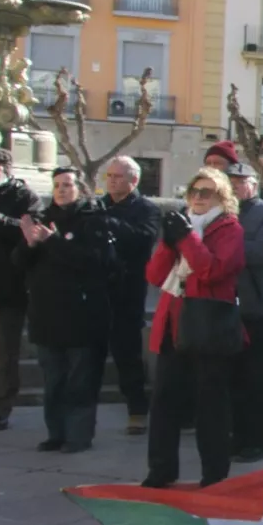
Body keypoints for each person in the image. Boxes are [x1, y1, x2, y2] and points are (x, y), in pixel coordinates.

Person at [142, 167, 246, 488]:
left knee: (210, 403)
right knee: (164, 400)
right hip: (174, 321)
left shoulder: (230, 229)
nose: (199, 198)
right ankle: (161, 470)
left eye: (207, 192)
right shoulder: (182, 225)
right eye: (194, 192)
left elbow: (213, 271)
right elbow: (155, 276)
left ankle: (214, 475)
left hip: (208, 324)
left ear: (222, 198)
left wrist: (186, 238)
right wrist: (169, 242)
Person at [17, 167, 115, 454]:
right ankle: (55, 434)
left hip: (82, 316)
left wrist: (53, 242)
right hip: (46, 315)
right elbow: (20, 263)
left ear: (80, 189)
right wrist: (30, 244)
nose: (61, 190)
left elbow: (97, 262)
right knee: (54, 381)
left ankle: (78, 436)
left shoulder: (94, 220)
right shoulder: (42, 219)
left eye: (68, 185)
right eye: (57, 184)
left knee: (80, 380)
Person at [100, 157, 160, 435]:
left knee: (127, 353)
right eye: (109, 176)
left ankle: (137, 410)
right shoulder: (98, 205)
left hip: (128, 289)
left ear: (133, 180)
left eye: (118, 176)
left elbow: (143, 239)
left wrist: (108, 223)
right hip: (97, 288)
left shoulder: (145, 208)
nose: (112, 180)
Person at [227, 163, 263, 462]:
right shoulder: (224, 212)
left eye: (241, 181)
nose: (235, 186)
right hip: (228, 308)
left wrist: (228, 243)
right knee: (234, 379)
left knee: (256, 380)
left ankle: (256, 443)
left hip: (257, 308)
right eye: (231, 181)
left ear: (254, 184)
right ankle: (236, 438)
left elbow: (262, 251)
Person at [0, 146, 38, 431]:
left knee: (1, 353)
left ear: (7, 168)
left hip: (6, 289)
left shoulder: (23, 196)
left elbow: (26, 230)